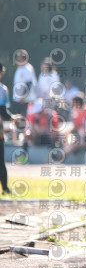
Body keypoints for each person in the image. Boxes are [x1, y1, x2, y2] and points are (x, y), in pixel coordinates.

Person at [0, 62, 18, 195]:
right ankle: (5, 188)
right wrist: (13, 118)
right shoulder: (2, 90)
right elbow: (3, 111)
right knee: (0, 161)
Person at [12, 49, 37, 117]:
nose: (18, 59)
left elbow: (29, 83)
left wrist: (23, 96)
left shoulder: (28, 68)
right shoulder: (19, 68)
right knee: (17, 116)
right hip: (18, 98)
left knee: (24, 117)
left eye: (20, 57)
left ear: (24, 58)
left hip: (25, 99)